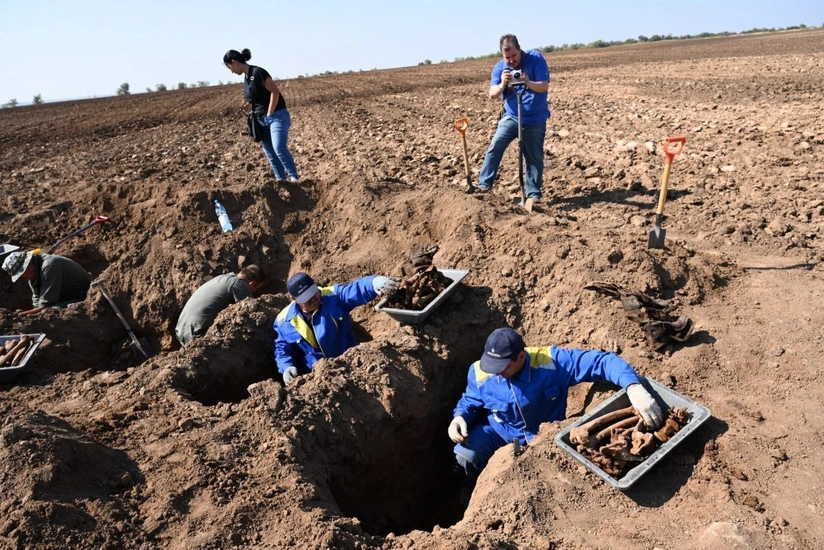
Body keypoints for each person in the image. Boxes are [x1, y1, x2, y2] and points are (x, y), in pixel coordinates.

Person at [448, 327, 663, 494]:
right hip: (499, 431)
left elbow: (602, 361)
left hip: (540, 436)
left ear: (521, 357)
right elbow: (470, 401)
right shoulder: (479, 372)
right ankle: (471, 489)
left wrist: (633, 387)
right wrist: (460, 417)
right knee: (466, 456)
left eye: (502, 367)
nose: (496, 373)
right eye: (491, 366)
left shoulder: (551, 362)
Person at [274, 272, 398, 386]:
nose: (313, 299)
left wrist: (374, 282)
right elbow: (282, 349)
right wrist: (287, 367)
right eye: (306, 298)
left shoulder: (333, 297)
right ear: (293, 298)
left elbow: (355, 289)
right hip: (316, 380)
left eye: (313, 292)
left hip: (351, 367)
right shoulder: (283, 321)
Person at [477, 34, 550, 201]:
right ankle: (484, 185)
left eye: (513, 56)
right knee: (495, 146)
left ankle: (533, 195)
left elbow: (544, 86)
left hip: (535, 118)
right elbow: (492, 94)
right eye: (507, 58)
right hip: (512, 116)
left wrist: (528, 82)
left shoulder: (535, 58)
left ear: (519, 49)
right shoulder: (500, 68)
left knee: (534, 156)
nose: (511, 61)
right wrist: (503, 84)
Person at [223, 48, 300, 183]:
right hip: (261, 120)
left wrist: (270, 113)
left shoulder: (258, 72)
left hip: (276, 116)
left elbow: (274, 92)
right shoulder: (246, 78)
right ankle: (281, 180)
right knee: (270, 153)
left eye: (230, 67)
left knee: (279, 147)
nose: (231, 71)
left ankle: (294, 177)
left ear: (234, 62)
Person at [175, 265, 266, 345]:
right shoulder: (239, 284)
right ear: (252, 284)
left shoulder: (224, 277)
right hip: (195, 335)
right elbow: (253, 311)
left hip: (181, 331)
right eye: (256, 289)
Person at [2, 251, 92, 316]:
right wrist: (31, 312)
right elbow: (37, 299)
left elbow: (46, 305)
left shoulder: (50, 266)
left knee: (53, 311)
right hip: (63, 295)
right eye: (21, 277)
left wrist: (21, 315)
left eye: (23, 274)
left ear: (28, 263)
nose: (25, 278)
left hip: (83, 295)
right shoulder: (34, 270)